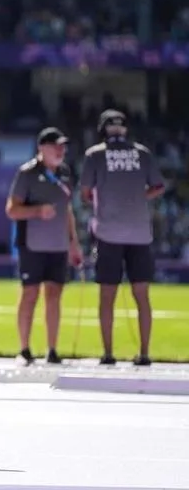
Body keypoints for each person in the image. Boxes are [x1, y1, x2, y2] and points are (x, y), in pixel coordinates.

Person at [79, 110, 165, 366]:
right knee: (142, 295)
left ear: (103, 129)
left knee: (107, 296)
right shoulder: (142, 153)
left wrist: (105, 200)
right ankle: (145, 353)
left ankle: (108, 354)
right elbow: (158, 186)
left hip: (108, 232)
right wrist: (138, 198)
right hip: (139, 233)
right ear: (125, 129)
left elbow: (85, 193)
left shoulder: (94, 155)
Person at [6, 127, 83, 365]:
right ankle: (24, 349)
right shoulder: (27, 173)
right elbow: (11, 210)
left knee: (54, 295)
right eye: (56, 146)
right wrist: (38, 211)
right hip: (32, 243)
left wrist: (74, 243)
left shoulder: (65, 173)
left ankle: (52, 349)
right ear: (42, 148)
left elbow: (67, 210)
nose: (61, 150)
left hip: (58, 244)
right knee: (30, 294)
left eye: (63, 146)